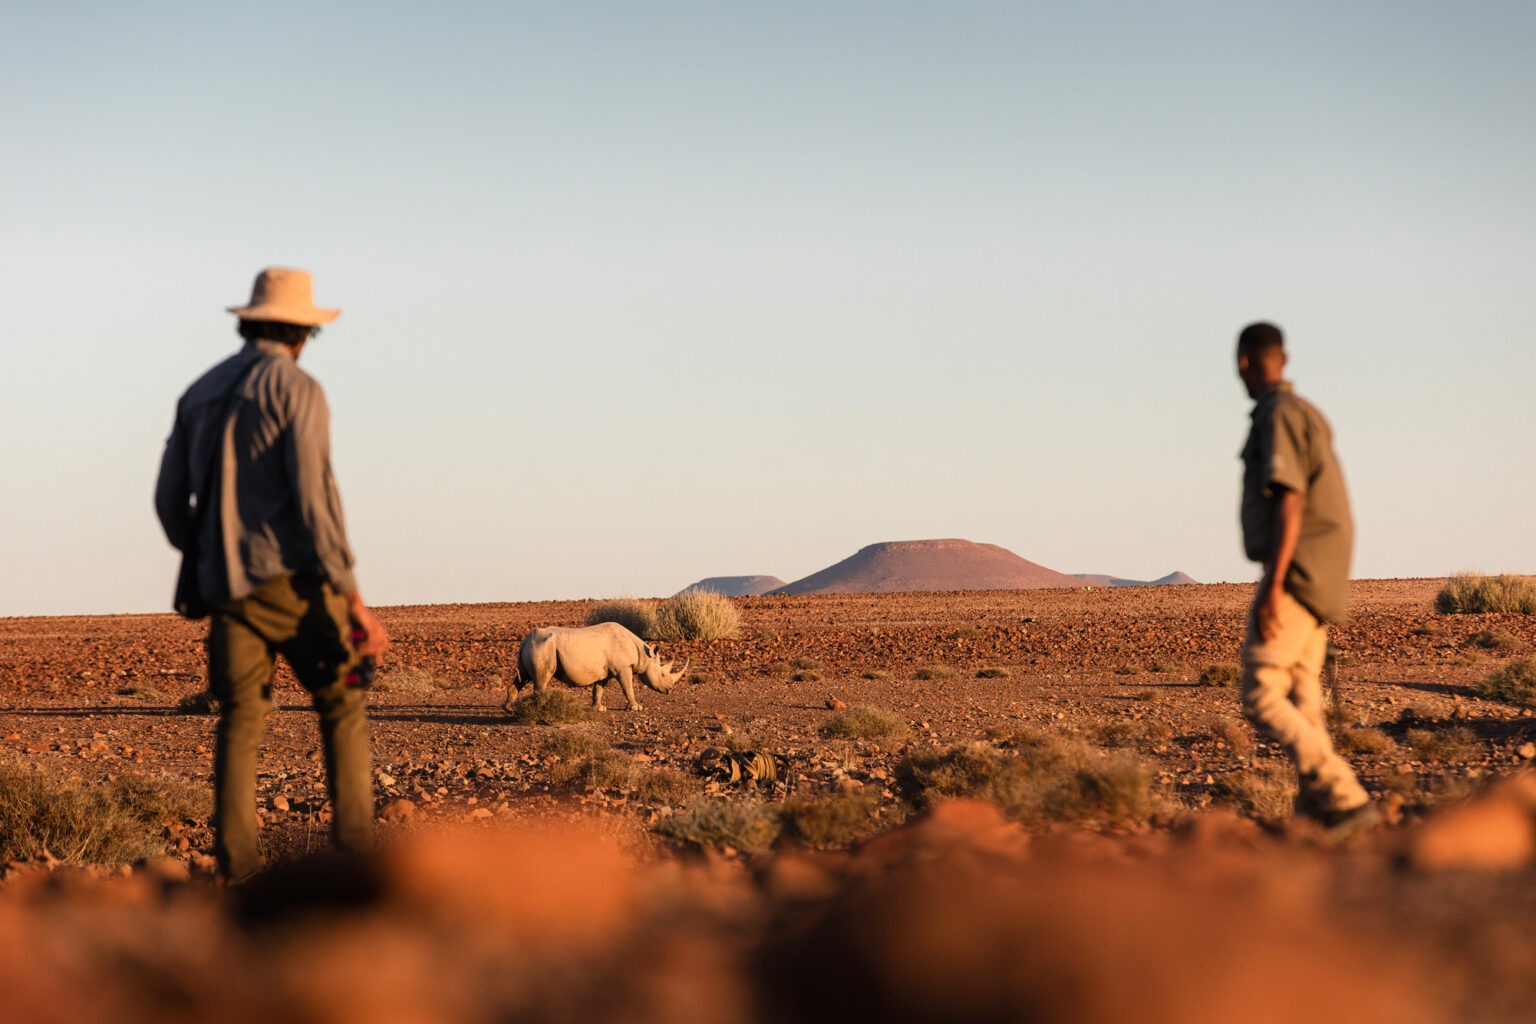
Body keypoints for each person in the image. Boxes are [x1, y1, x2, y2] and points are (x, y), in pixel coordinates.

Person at [155, 266, 390, 880]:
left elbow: (166, 500)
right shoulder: (298, 390)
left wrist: (205, 553)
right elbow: (315, 501)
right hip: (294, 583)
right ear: (302, 333)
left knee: (240, 721)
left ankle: (238, 875)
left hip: (226, 588)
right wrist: (353, 598)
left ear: (249, 323)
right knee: (341, 702)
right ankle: (354, 866)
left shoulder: (198, 393)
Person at [1235, 321, 1377, 839]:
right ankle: (1319, 813)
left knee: (1261, 694)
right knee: (1301, 698)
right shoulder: (1307, 413)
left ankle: (1345, 795)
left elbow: (1290, 500)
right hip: (1321, 576)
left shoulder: (1279, 415)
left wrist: (1273, 586)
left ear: (1245, 361)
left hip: (1295, 577)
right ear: (1285, 359)